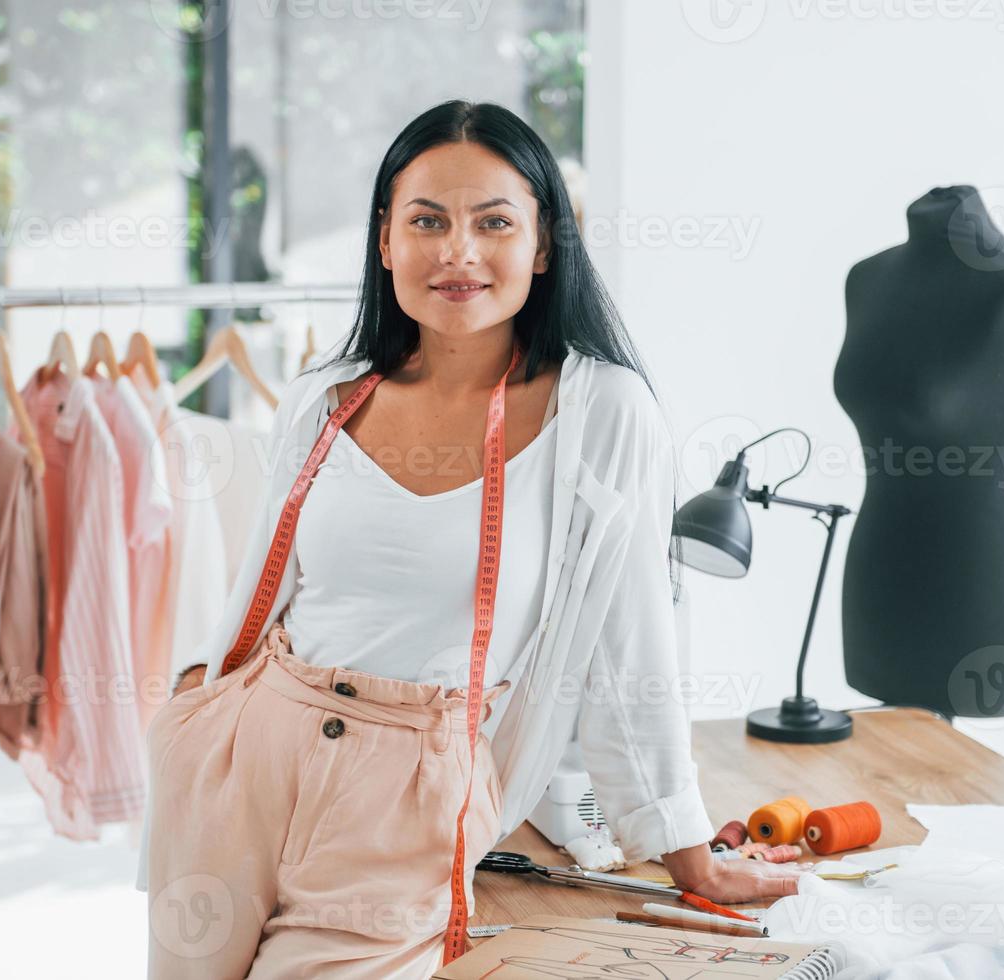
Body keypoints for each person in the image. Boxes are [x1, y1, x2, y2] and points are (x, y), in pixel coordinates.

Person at [140, 99, 800, 979]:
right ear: (384, 240)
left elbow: (627, 639)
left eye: (494, 222)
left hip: (404, 793)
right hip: (240, 760)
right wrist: (189, 712)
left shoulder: (599, 413)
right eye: (427, 221)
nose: (457, 251)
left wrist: (684, 851)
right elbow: (262, 592)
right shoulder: (325, 396)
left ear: (544, 244)